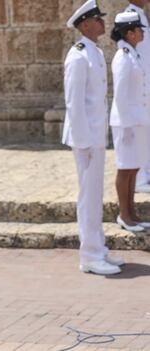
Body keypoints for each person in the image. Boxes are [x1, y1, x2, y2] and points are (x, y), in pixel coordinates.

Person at [62, 0, 124, 275]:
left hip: (96, 137)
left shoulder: (94, 52)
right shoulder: (77, 56)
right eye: (98, 20)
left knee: (95, 195)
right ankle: (89, 256)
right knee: (88, 196)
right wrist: (84, 140)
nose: (102, 23)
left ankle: (98, 250)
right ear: (85, 24)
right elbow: (73, 103)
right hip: (86, 139)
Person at [110, 11, 150, 233]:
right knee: (125, 169)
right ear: (130, 33)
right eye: (138, 29)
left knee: (133, 168)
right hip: (127, 123)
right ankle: (124, 214)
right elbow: (121, 95)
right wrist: (126, 127)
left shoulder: (133, 54)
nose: (142, 33)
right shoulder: (123, 57)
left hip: (136, 121)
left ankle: (132, 212)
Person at [125, 0, 150, 193]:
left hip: (146, 84)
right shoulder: (131, 16)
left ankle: (145, 174)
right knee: (140, 132)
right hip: (143, 86)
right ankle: (141, 178)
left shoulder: (139, 14)